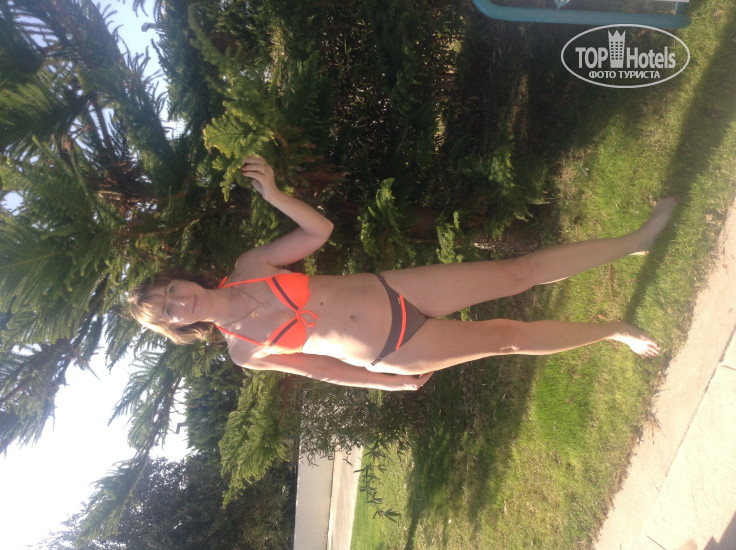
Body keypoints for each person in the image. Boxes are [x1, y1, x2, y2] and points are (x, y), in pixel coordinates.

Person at [130, 156, 677, 391]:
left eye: (171, 290)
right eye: (169, 311)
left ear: (182, 278)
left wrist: (274, 194)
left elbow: (318, 231)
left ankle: (636, 241)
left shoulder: (249, 267)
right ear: (177, 327)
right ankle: (614, 331)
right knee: (507, 338)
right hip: (394, 349)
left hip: (393, 288)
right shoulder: (243, 352)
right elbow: (321, 371)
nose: (179, 302)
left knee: (520, 272)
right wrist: (385, 383)